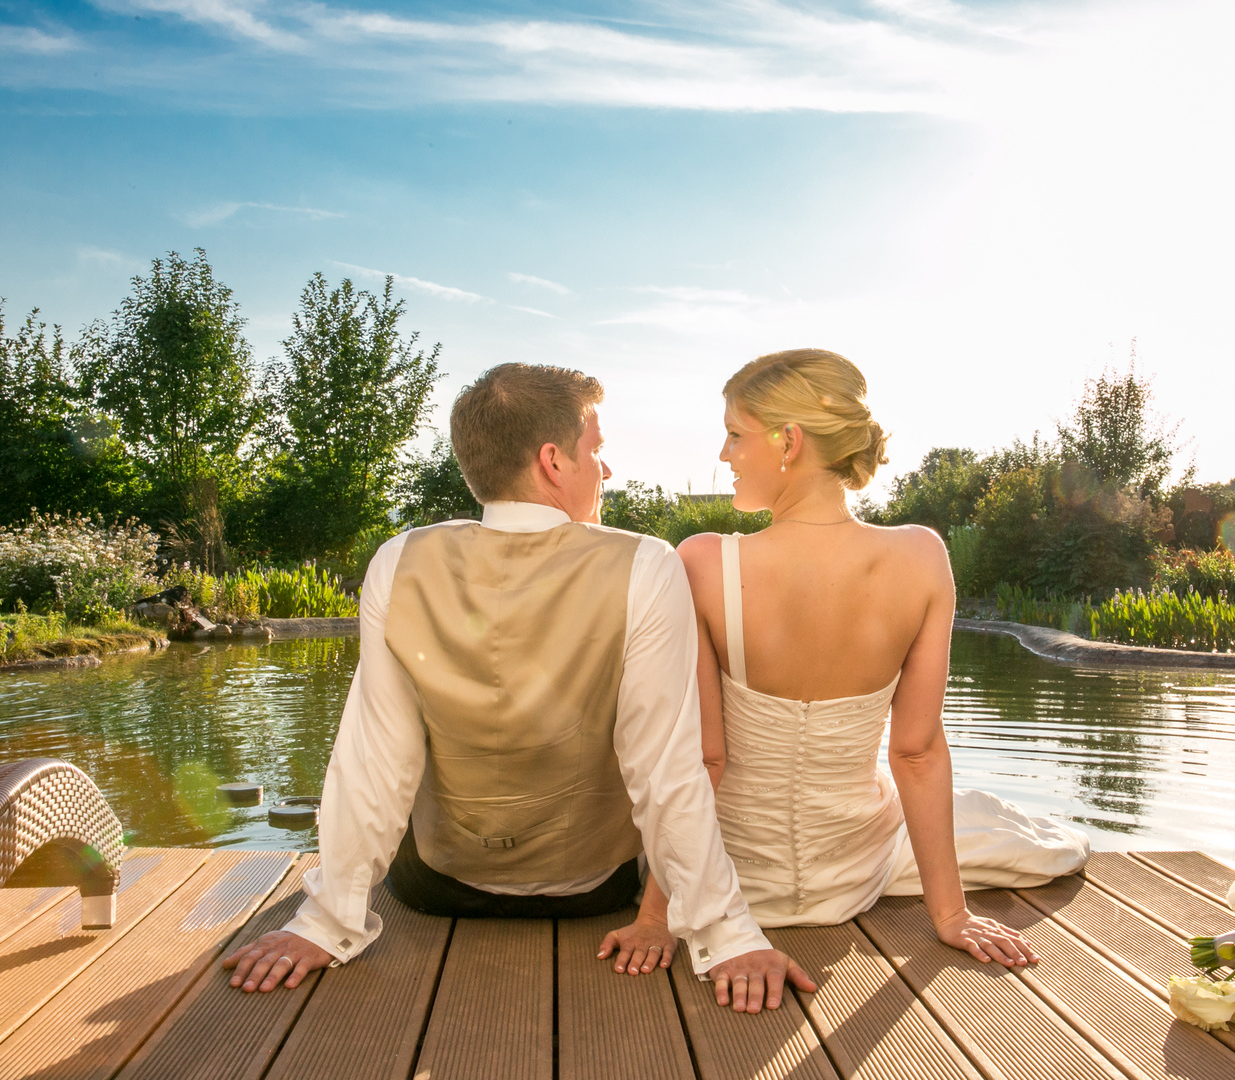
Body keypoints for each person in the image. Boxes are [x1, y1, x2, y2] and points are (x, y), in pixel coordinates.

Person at [223, 362, 814, 1013]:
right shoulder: (646, 564)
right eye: (597, 451)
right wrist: (725, 933)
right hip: (589, 890)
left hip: (437, 886)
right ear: (554, 461)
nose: (606, 471)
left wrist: (325, 922)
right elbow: (663, 768)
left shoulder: (399, 559)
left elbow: (374, 759)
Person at [599, 349, 1089, 978]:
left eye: (734, 434)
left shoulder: (702, 562)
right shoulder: (921, 557)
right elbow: (916, 753)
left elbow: (704, 760)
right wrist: (951, 916)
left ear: (789, 441)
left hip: (734, 884)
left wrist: (656, 915)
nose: (724, 455)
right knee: (1046, 842)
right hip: (854, 877)